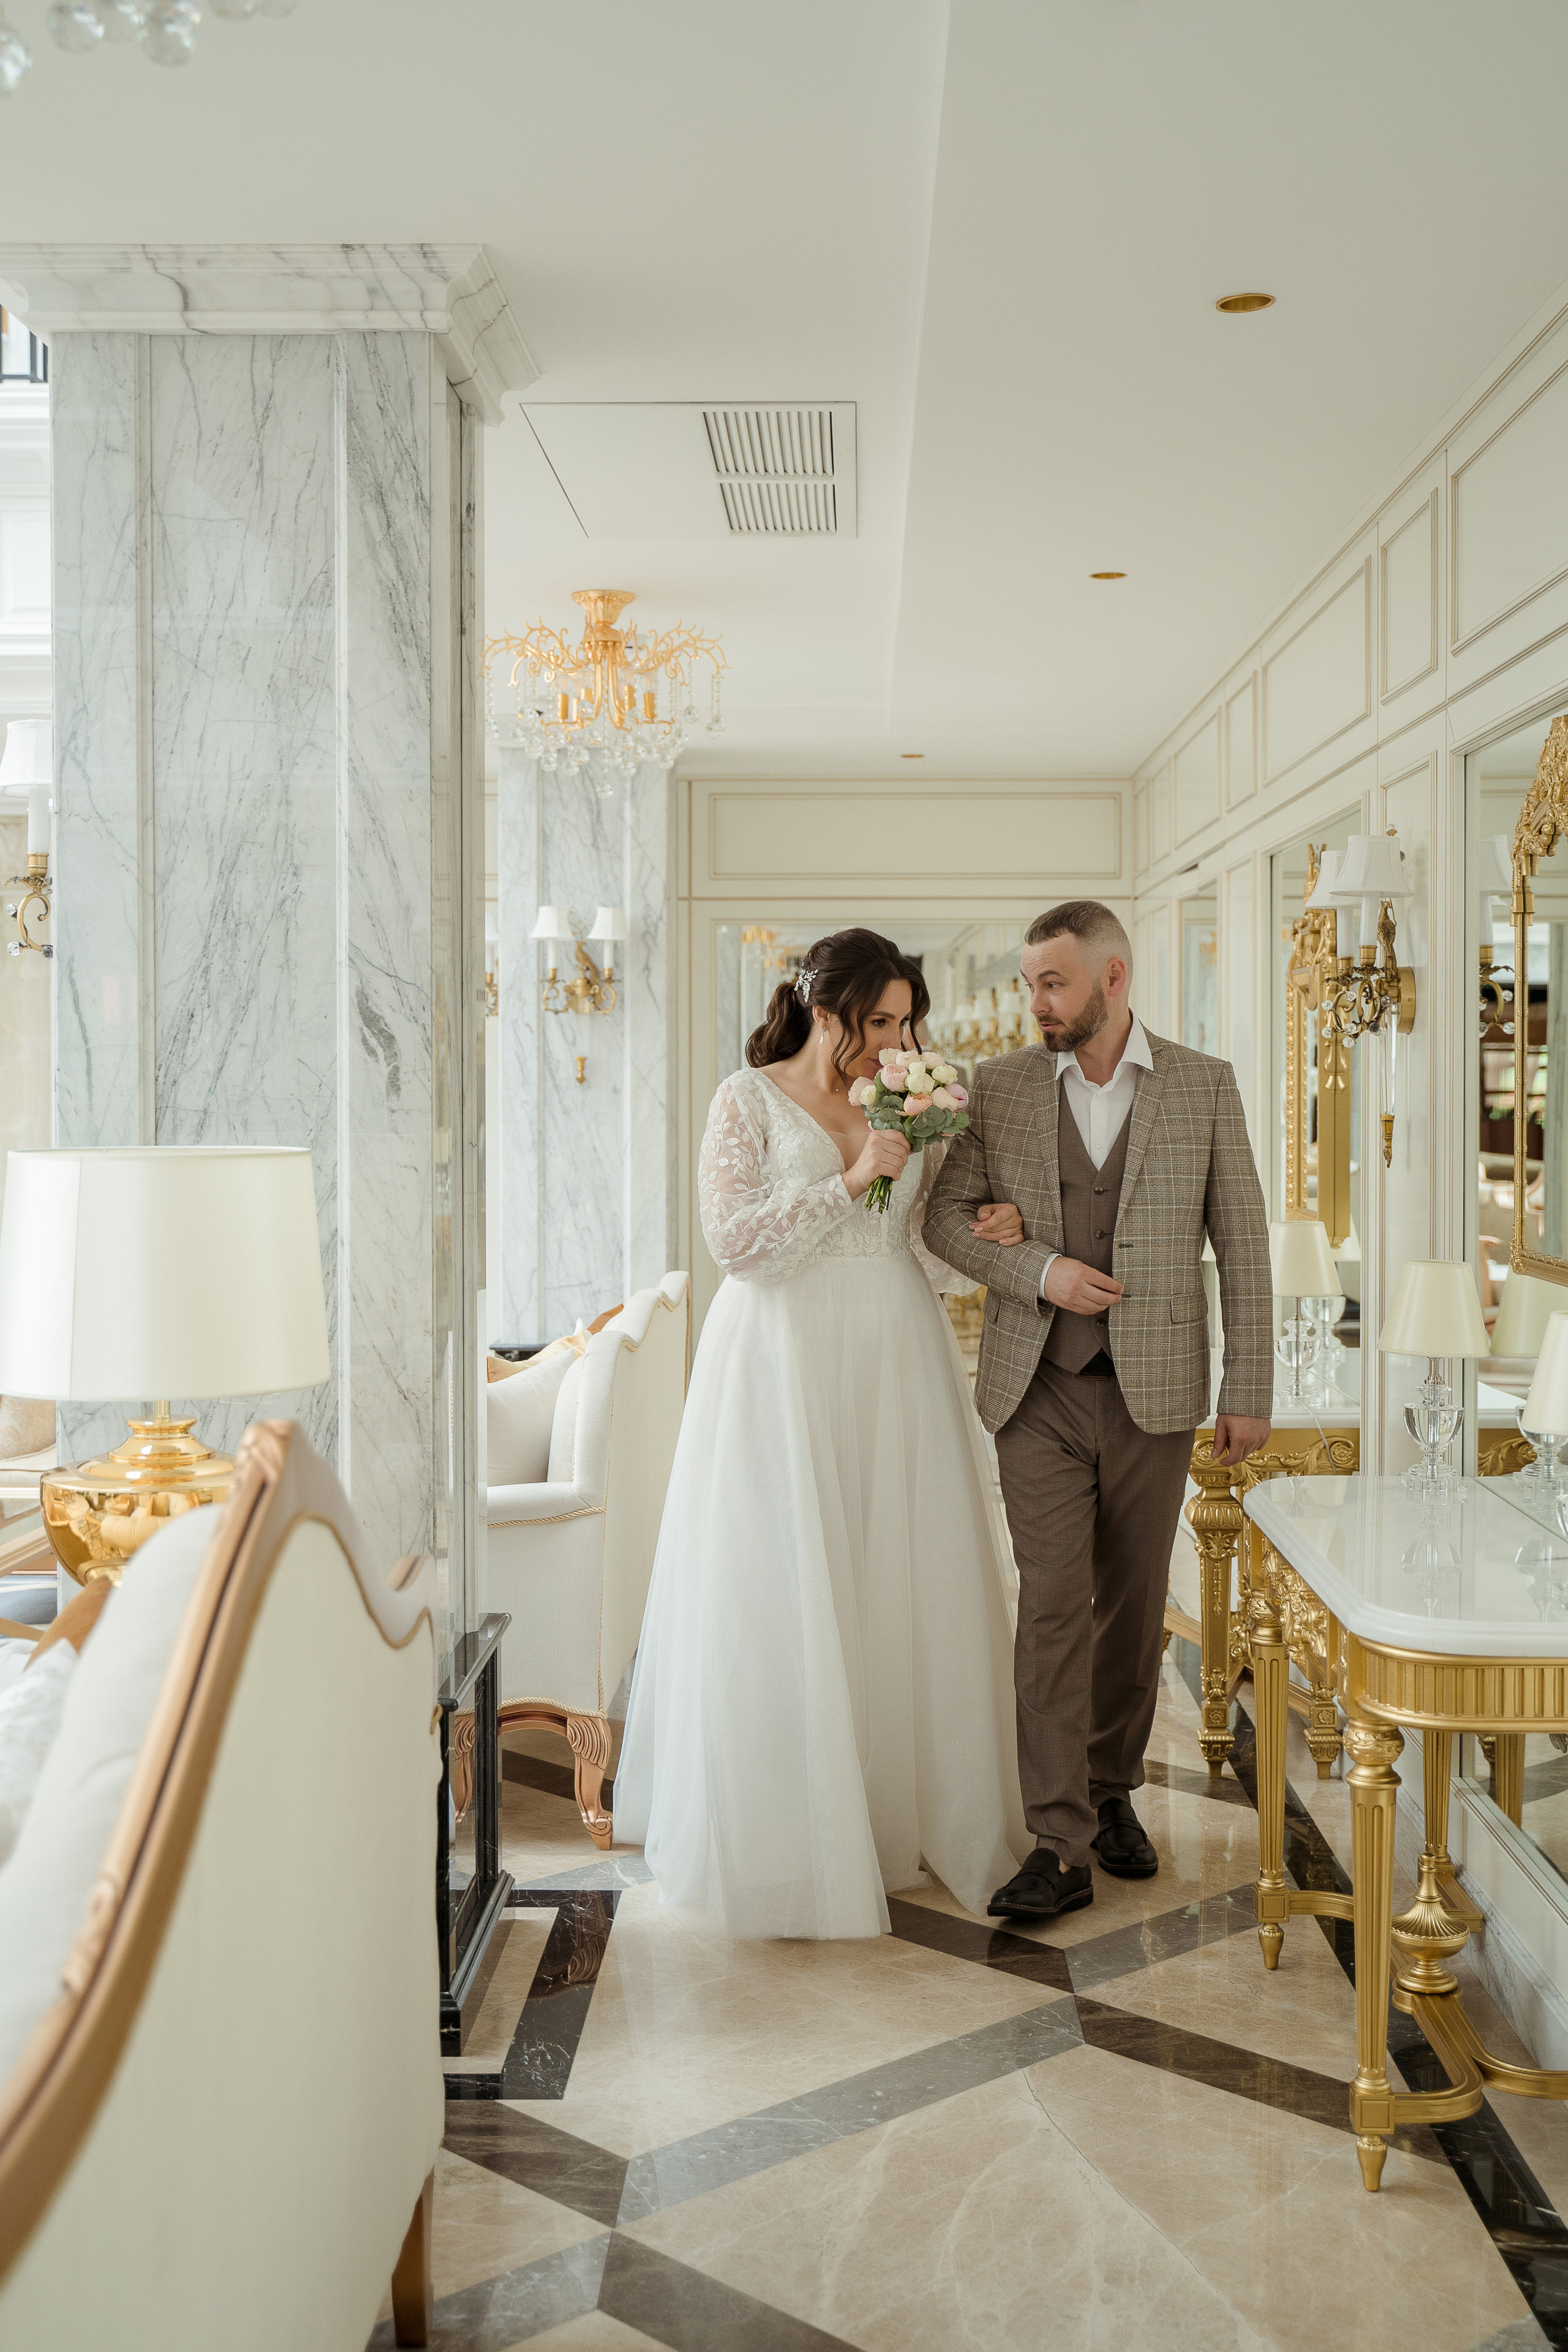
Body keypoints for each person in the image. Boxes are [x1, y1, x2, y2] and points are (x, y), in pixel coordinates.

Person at [616, 928, 1028, 1939]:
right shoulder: (744, 1099)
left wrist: (990, 1225)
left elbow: (922, 1244)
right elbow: (733, 1242)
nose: (900, 1039)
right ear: (828, 1012)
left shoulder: (915, 1101)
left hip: (893, 1345)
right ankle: (787, 1837)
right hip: (780, 1354)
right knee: (782, 1576)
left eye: (906, 1022)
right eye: (880, 1021)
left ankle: (907, 1816)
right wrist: (847, 1179)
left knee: (900, 1574)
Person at [925, 900, 1272, 1922]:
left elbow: (1244, 1246)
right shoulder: (1001, 1087)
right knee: (1050, 1606)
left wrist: (1247, 1388)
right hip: (1037, 1386)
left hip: (1156, 1393)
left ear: (1113, 979)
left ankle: (1114, 1788)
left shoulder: (1204, 1086)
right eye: (1031, 982)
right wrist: (1037, 1268)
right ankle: (1058, 1839)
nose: (1035, 1002)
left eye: (1053, 982)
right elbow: (947, 1220)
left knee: (1131, 1611)